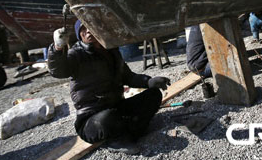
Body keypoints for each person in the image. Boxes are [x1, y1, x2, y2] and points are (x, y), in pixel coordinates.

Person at [47, 20, 170, 155]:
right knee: (107, 118)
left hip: (117, 107)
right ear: (79, 35)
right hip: (91, 119)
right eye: (83, 29)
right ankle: (117, 140)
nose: (88, 31)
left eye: (90, 25)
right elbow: (58, 71)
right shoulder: (77, 54)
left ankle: (127, 131)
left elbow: (128, 77)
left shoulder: (112, 52)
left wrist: (149, 81)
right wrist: (58, 48)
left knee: (153, 94)